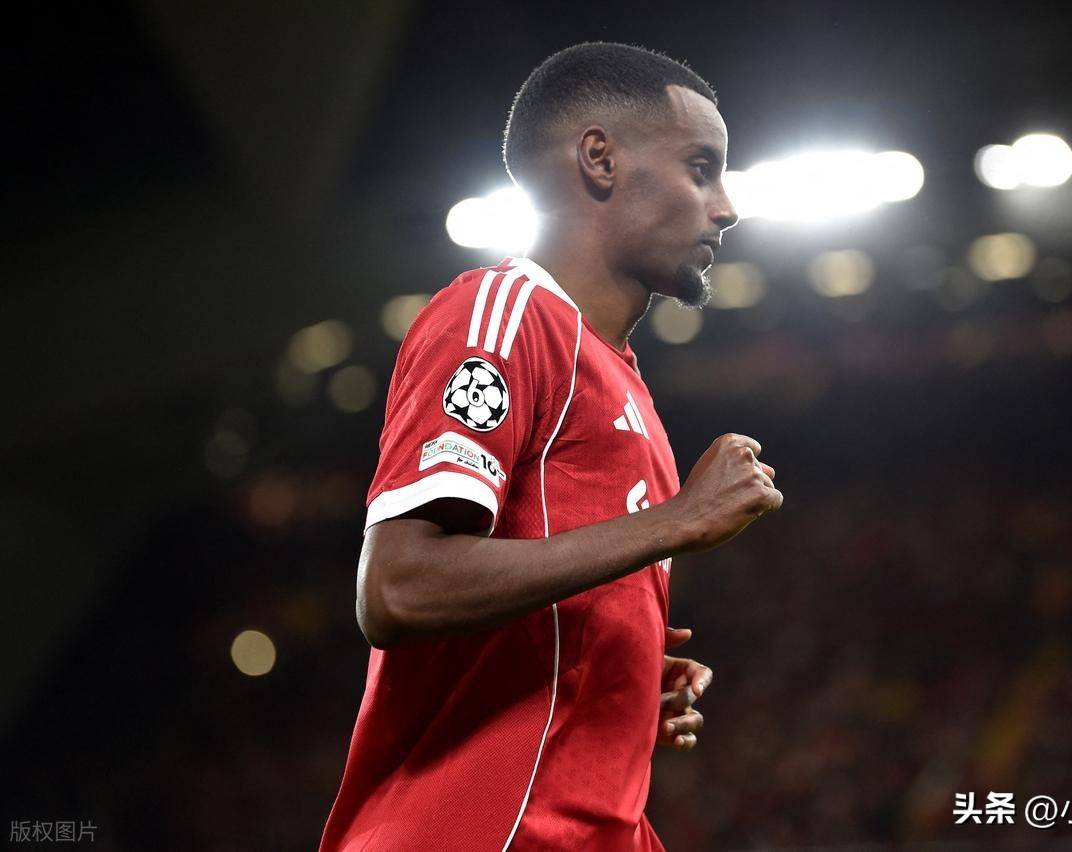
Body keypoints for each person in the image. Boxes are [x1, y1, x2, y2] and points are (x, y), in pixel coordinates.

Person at [318, 42, 783, 851]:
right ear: (599, 159)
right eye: (702, 168)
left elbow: (530, 594)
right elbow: (397, 588)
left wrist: (618, 673)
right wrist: (675, 521)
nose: (727, 207)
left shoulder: (622, 381)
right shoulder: (504, 313)